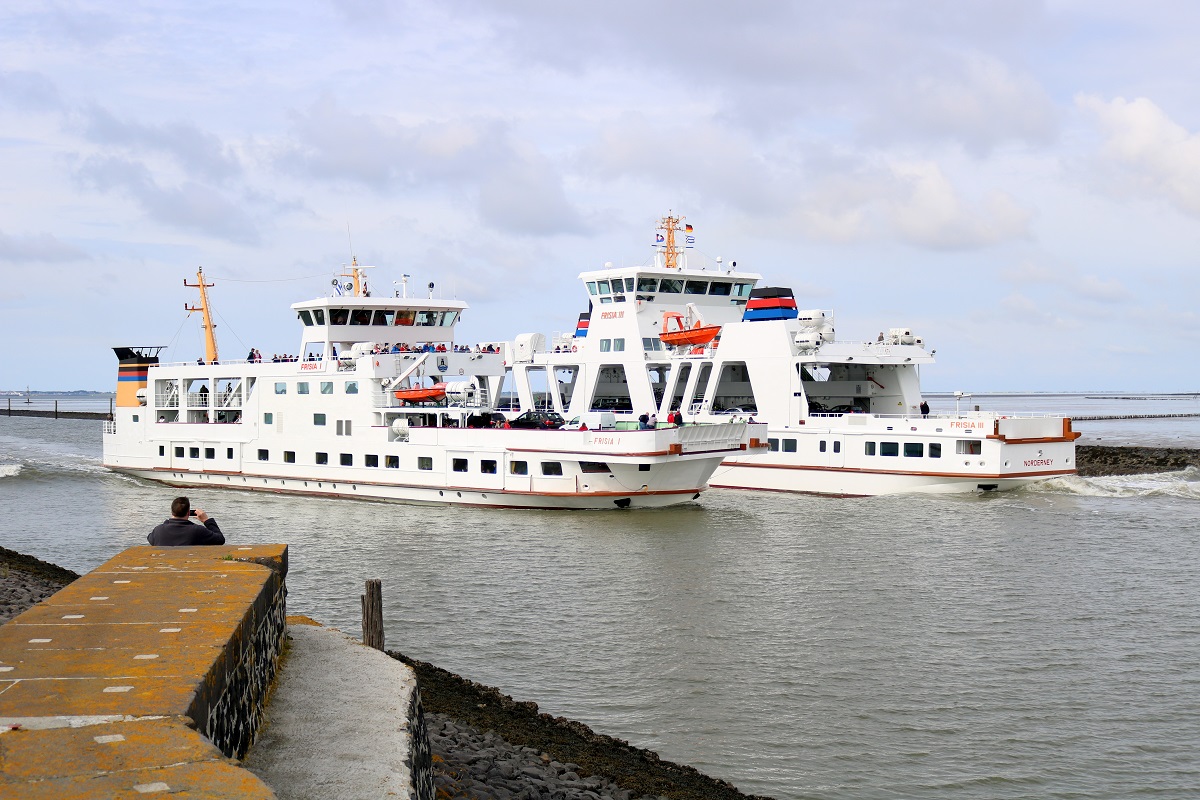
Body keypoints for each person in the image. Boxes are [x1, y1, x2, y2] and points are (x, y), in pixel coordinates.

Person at [148, 497, 225, 546]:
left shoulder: (159, 530)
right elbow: (220, 540)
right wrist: (206, 520)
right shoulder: (197, 531)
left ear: (172, 512)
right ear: (188, 513)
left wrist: (168, 523)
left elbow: (150, 539)